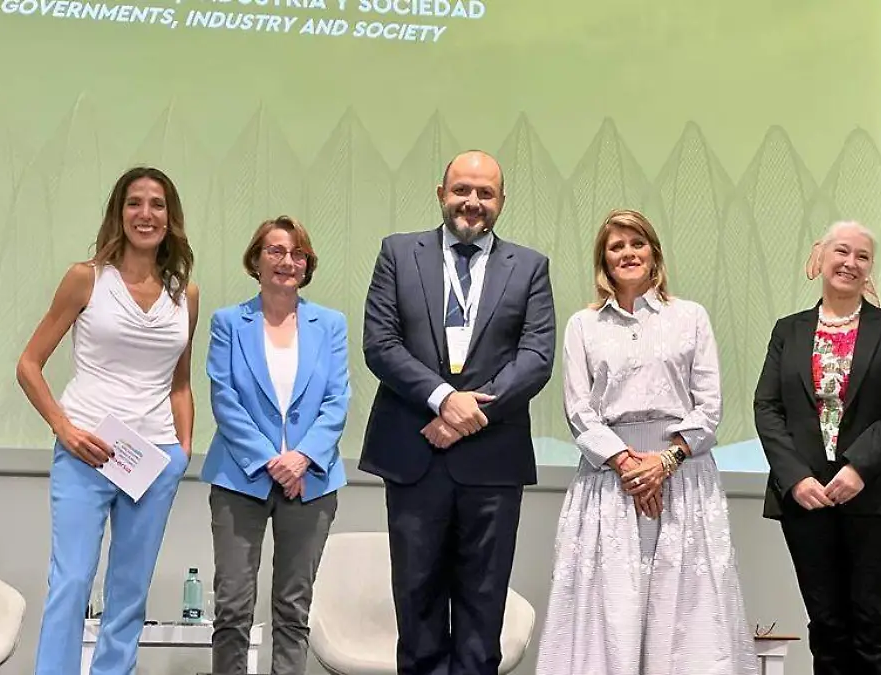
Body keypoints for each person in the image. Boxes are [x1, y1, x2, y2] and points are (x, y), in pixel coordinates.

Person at [535, 209, 758, 675]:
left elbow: (710, 405)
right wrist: (627, 464)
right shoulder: (583, 325)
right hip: (609, 480)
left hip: (684, 476)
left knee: (686, 616)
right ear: (604, 261)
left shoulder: (690, 317)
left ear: (654, 254)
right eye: (616, 247)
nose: (628, 253)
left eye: (637, 244)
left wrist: (666, 461)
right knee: (610, 608)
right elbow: (578, 409)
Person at [359, 150, 556, 675]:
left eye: (485, 193)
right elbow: (380, 344)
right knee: (417, 605)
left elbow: (536, 358)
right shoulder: (398, 254)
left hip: (492, 462)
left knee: (482, 609)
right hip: (413, 453)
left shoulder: (531, 266)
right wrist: (444, 399)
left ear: (501, 201)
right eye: (463, 190)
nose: (473, 202)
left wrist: (469, 412)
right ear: (441, 192)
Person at [16, 166, 199, 674]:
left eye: (157, 204)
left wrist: (181, 450)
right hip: (86, 451)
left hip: (153, 460)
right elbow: (28, 364)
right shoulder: (86, 279)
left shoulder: (186, 296)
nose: (146, 214)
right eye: (135, 202)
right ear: (119, 213)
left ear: (171, 217)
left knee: (129, 592)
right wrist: (64, 428)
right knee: (72, 581)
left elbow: (180, 383)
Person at [753, 220, 881, 675]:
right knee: (826, 628)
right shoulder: (788, 330)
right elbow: (767, 407)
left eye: (863, 256)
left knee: (873, 625)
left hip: (876, 497)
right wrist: (795, 478)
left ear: (870, 269)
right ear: (821, 257)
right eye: (842, 252)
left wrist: (858, 468)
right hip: (806, 500)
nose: (851, 263)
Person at [201, 215, 350, 675]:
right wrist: (271, 460)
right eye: (276, 251)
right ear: (256, 260)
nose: (287, 261)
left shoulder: (331, 324)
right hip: (240, 478)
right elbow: (224, 399)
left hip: (312, 482)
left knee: (292, 610)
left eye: (297, 253)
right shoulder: (229, 322)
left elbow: (337, 399)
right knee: (232, 608)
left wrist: (302, 458)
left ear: (307, 265)